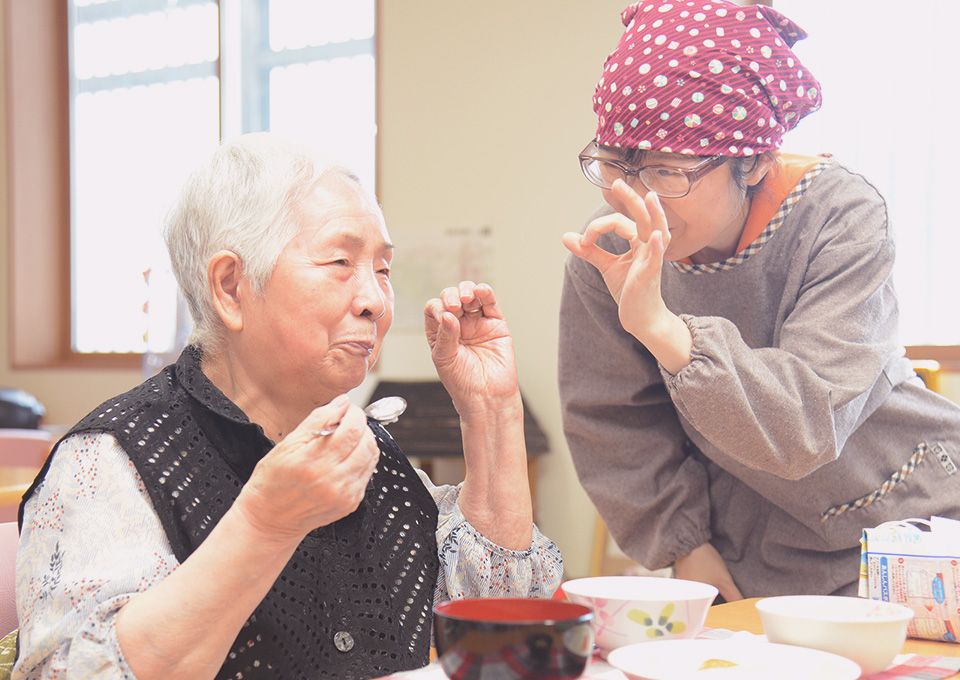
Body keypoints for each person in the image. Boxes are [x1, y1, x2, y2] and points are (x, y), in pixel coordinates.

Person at [14, 134, 562, 679]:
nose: (375, 299)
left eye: (384, 269)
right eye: (341, 261)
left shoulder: (365, 448)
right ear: (231, 287)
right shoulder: (110, 461)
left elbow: (502, 630)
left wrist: (492, 411)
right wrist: (265, 524)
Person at [559, 0, 960, 601]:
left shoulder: (839, 217)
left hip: (913, 527)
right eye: (619, 165)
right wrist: (684, 546)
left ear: (751, 161)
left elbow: (805, 424)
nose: (639, 198)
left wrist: (665, 331)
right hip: (752, 551)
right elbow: (612, 419)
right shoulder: (610, 250)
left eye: (669, 171)